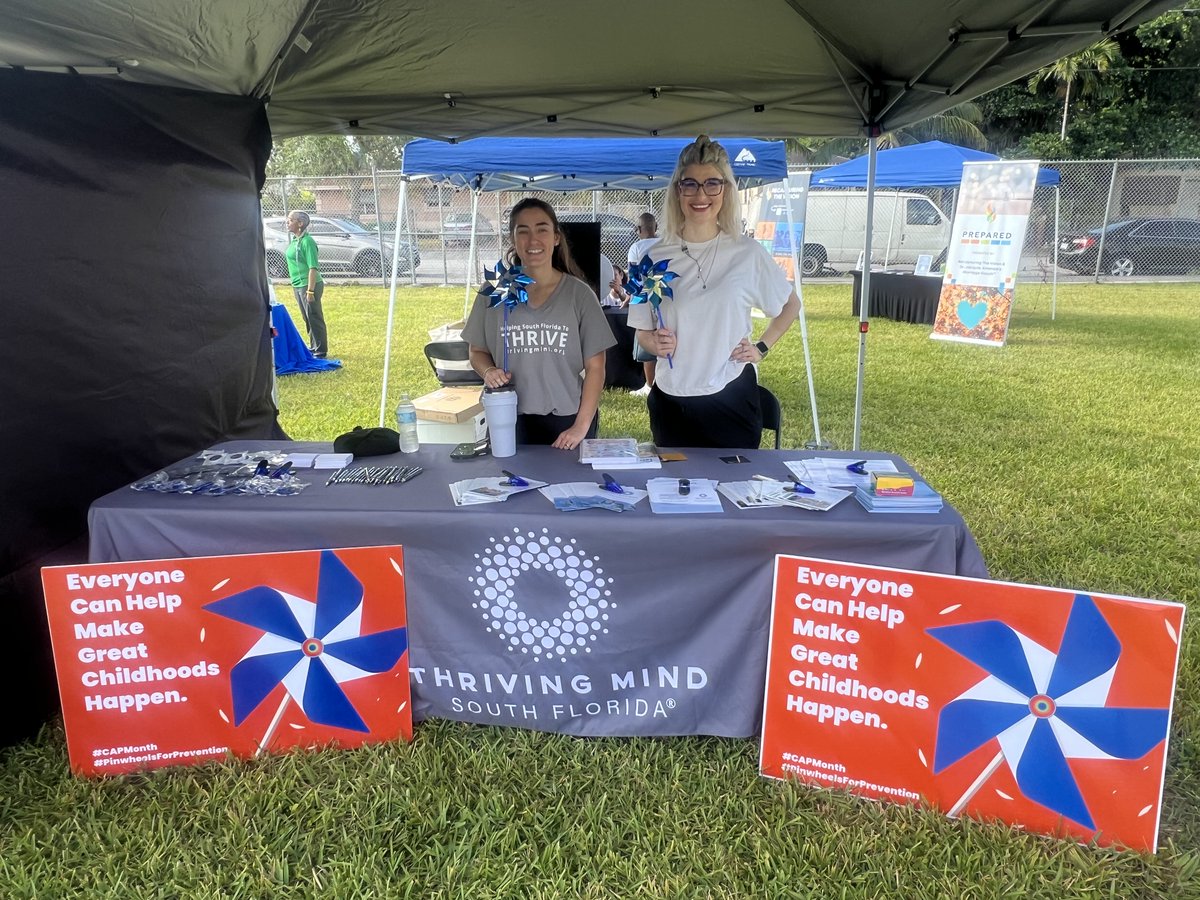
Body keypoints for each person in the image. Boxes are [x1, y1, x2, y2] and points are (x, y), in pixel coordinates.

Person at [627, 136, 800, 449]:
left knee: (733, 491)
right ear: (677, 190)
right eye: (690, 184)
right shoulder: (650, 257)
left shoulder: (747, 253)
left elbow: (790, 304)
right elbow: (642, 331)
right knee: (674, 493)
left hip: (731, 397)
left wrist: (762, 347)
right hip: (671, 400)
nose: (701, 195)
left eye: (712, 184)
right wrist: (654, 341)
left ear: (726, 189)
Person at [462, 198, 616, 451]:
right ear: (513, 239)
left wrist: (581, 425)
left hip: (565, 420)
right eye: (523, 231)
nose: (533, 240)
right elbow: (476, 352)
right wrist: (488, 371)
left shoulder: (579, 294)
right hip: (508, 415)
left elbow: (596, 367)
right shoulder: (495, 291)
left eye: (542, 229)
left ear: (556, 237)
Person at [284, 210, 329, 358]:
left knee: (314, 316)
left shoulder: (308, 242)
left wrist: (310, 291)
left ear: (300, 224)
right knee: (307, 317)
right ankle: (314, 346)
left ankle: (321, 350)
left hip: (309, 285)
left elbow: (313, 268)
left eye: (290, 220)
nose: (287, 222)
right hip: (297, 284)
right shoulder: (296, 240)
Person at [627, 212, 661, 396]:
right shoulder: (666, 244)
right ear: (656, 228)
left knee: (645, 338)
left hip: (642, 297)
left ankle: (649, 385)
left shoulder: (636, 247)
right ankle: (662, 381)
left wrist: (628, 296)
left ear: (639, 229)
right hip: (665, 296)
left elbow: (633, 277)